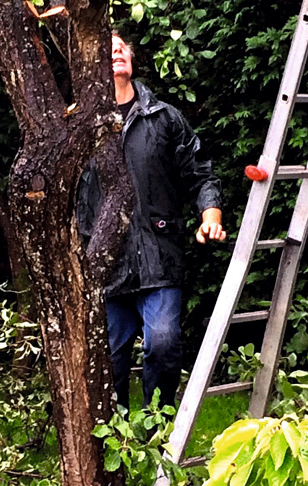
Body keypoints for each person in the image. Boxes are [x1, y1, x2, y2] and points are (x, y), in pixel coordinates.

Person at [76, 33, 226, 413]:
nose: (115, 51)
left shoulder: (163, 118)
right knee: (108, 359)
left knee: (162, 343)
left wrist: (210, 214)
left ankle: (156, 425)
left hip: (159, 258)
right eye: (106, 47)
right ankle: (116, 439)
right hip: (104, 265)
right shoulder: (77, 127)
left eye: (121, 46)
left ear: (132, 58)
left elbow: (201, 173)